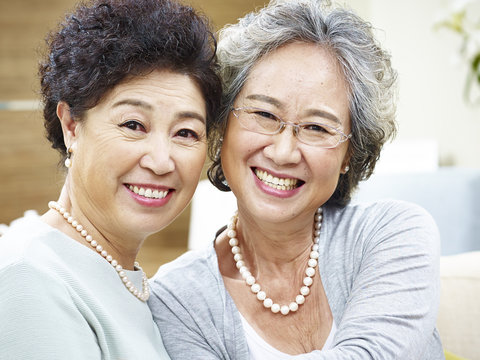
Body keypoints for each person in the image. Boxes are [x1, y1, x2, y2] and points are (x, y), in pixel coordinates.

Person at [148, 0, 444, 358]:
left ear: (350, 153)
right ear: (223, 124)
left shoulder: (394, 235)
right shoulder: (177, 298)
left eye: (317, 127)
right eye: (264, 114)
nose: (283, 152)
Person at [0, 0, 221, 358]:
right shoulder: (30, 276)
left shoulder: (124, 275)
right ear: (71, 126)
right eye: (133, 125)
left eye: (185, 133)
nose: (162, 161)